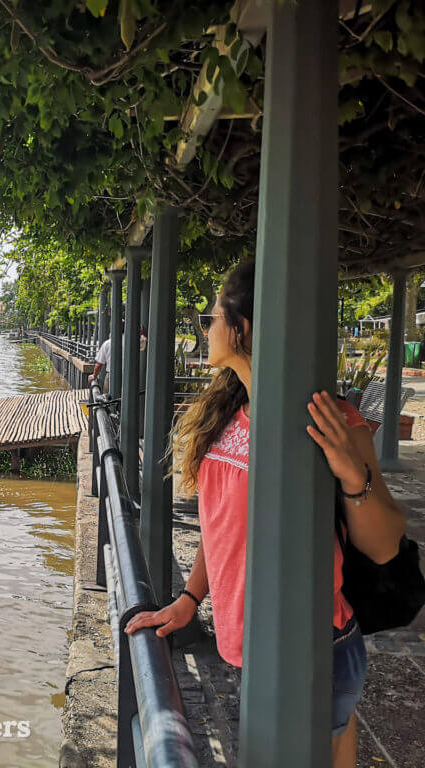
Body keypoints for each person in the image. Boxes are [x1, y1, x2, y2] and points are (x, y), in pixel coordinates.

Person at [123, 261, 405, 768]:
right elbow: (221, 527)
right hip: (249, 647)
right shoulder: (229, 412)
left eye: (211, 317)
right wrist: (190, 598)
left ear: (243, 326)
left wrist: (350, 473)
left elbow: (385, 544)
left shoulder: (329, 417)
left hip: (312, 651)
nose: (205, 329)